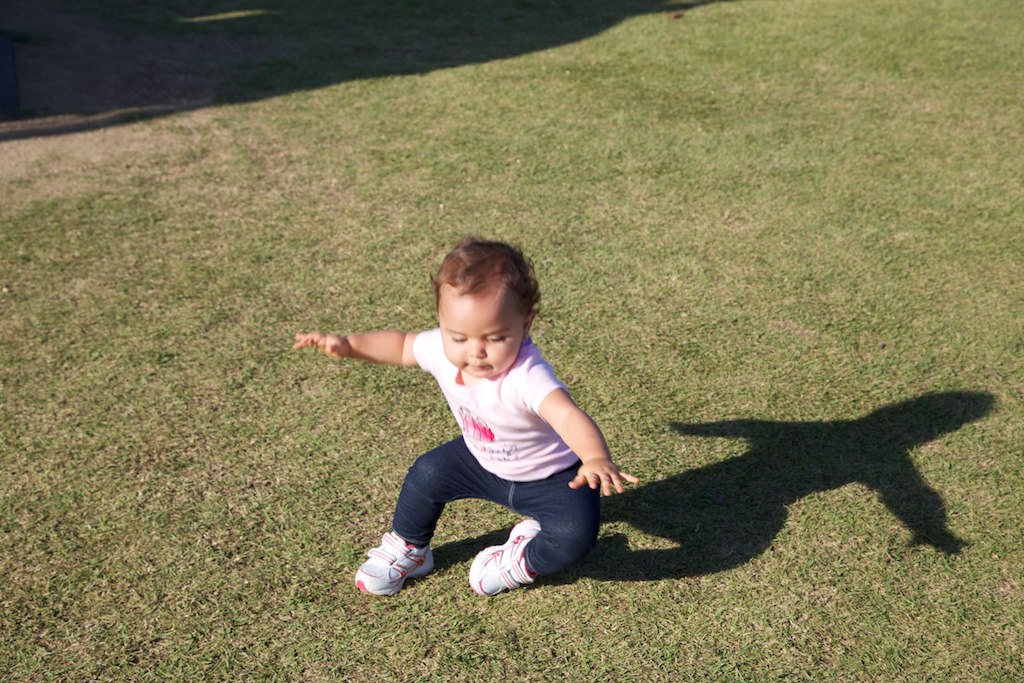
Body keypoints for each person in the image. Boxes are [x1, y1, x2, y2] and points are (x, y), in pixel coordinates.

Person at [293, 237, 638, 596]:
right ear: (442, 324)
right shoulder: (442, 349)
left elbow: (566, 416)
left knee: (574, 537)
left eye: (495, 337)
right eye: (458, 337)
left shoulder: (526, 375)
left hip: (552, 478)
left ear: (526, 324)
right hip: (481, 458)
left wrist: (595, 457)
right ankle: (411, 547)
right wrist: (349, 346)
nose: (475, 351)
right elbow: (401, 345)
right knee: (427, 474)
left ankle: (523, 559)